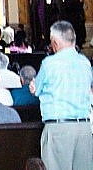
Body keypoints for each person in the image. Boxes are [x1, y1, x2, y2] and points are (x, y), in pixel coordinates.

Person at [29, 20, 92, 170]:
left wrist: (33, 88)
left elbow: (36, 89)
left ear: (55, 43)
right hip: (84, 128)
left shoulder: (49, 63)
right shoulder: (85, 62)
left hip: (59, 128)